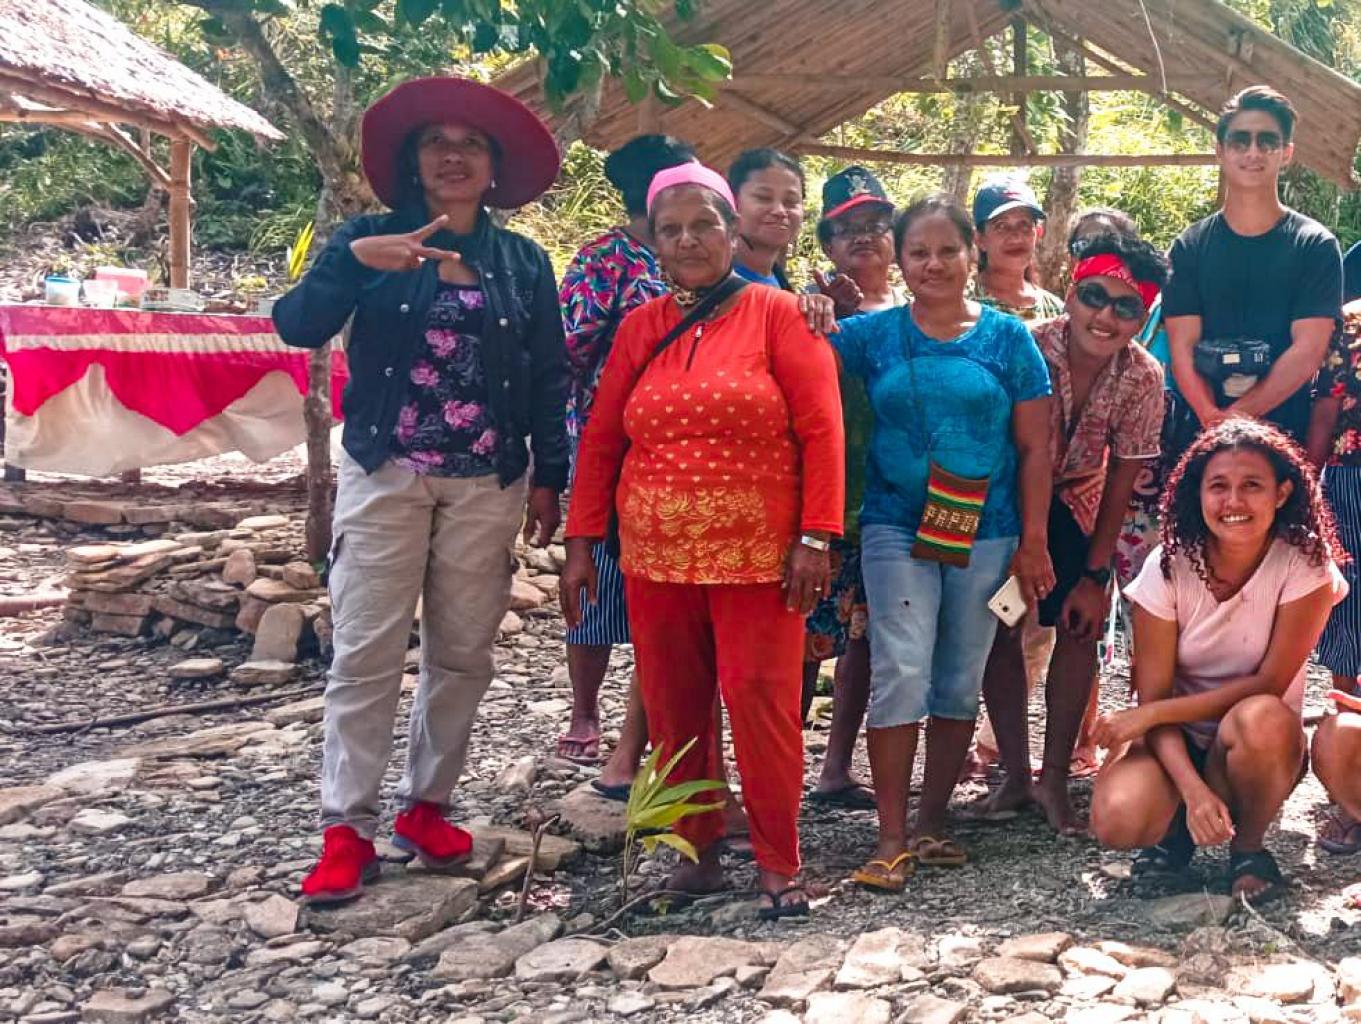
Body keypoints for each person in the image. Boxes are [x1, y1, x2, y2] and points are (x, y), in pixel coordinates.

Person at [273, 77, 568, 904]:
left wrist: (551, 475)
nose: (453, 155)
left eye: (471, 143)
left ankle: (426, 807)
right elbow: (296, 325)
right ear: (413, 160)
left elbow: (549, 373)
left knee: (463, 653)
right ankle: (346, 828)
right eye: (436, 140)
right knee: (365, 650)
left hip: (486, 479)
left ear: (493, 166)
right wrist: (348, 264)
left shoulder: (521, 261)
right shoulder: (369, 239)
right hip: (386, 469)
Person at [562, 163, 845, 919]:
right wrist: (582, 541)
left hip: (760, 555)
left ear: (732, 229)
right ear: (653, 241)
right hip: (653, 555)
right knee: (674, 702)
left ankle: (779, 864)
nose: (687, 240)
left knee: (761, 701)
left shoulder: (780, 315)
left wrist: (816, 536)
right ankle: (696, 854)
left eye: (703, 225)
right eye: (671, 229)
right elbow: (602, 439)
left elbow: (823, 432)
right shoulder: (641, 326)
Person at [832, 194, 1055, 892]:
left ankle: (933, 822)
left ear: (971, 252)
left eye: (947, 250)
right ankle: (890, 837)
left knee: (961, 671)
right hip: (894, 523)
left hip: (988, 529)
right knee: (901, 665)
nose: (933, 264)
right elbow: (799, 356)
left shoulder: (1007, 339)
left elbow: (1035, 446)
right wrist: (808, 308)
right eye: (918, 252)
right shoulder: (870, 336)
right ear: (899, 260)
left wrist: (1034, 541)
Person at [1090, 418, 1347, 904]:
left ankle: (1248, 849)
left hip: (1257, 743)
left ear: (1282, 493)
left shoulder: (1305, 561)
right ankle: (1174, 834)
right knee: (1119, 817)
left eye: (1252, 485)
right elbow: (1156, 699)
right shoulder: (1167, 566)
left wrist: (1150, 713)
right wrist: (1192, 789)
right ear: (1198, 494)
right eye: (1219, 487)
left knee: (1263, 715)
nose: (1233, 502)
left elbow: (1269, 682)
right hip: (1174, 741)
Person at [979, 231, 1170, 834]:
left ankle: (1055, 777)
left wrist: (1094, 573)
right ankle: (1015, 773)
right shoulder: (1026, 345)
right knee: (1000, 626)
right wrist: (1026, 543)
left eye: (1127, 307)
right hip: (1006, 503)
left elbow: (1123, 478)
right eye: (1095, 296)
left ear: (1144, 316)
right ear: (1070, 290)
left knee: (1080, 628)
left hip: (1081, 507)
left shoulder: (1145, 377)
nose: (1106, 317)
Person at [556, 135, 695, 778]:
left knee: (659, 584)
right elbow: (569, 346)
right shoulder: (606, 259)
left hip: (682, 446)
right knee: (599, 574)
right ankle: (586, 711)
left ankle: (650, 719)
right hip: (610, 437)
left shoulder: (695, 256)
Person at [802, 166, 905, 810]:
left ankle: (837, 767)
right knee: (804, 637)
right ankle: (779, 765)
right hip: (826, 502)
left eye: (876, 225)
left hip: (893, 503)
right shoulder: (806, 308)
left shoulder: (914, 312)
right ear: (827, 243)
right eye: (848, 229)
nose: (864, 238)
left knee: (866, 638)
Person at [1163, 86, 1342, 453]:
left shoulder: (1315, 246)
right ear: (1220, 150)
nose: (1253, 152)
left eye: (1267, 141)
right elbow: (1182, 348)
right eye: (1240, 140)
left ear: (1286, 153)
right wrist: (1212, 421)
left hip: (1283, 443)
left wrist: (1233, 420)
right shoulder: (1189, 247)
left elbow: (1308, 350)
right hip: (1199, 440)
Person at [1307, 300, 1361, 853]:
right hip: (1349, 484)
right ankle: (1349, 791)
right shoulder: (1351, 323)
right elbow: (1326, 407)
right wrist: (1307, 492)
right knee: (1347, 615)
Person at [970, 176, 1064, 323]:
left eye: (1024, 225)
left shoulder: (1055, 311)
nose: (1015, 237)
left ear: (1038, 233)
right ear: (980, 239)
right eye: (1001, 226)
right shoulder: (960, 303)